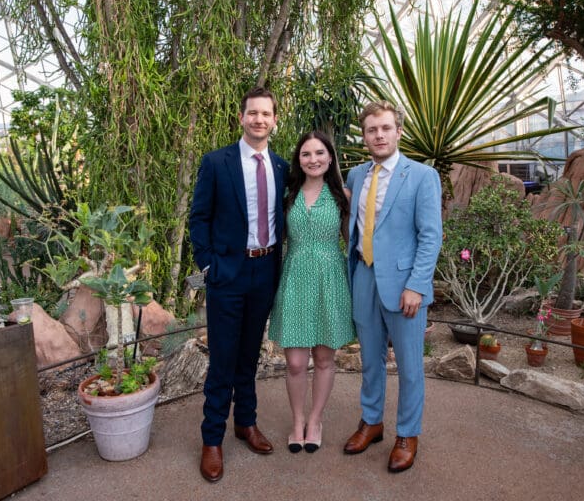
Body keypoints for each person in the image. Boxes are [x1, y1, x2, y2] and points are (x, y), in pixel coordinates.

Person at [188, 86, 289, 483]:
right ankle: (212, 439)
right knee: (223, 359)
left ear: (274, 120)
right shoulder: (217, 162)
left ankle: (246, 423)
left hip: (265, 271)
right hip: (227, 273)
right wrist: (208, 264)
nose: (259, 119)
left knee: (249, 355)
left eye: (266, 114)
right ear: (242, 117)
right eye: (253, 113)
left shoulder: (281, 167)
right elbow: (199, 218)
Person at [343, 100, 442, 472]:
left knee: (410, 366)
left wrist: (417, 285)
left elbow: (430, 236)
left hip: (404, 286)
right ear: (364, 136)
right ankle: (372, 422)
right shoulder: (356, 176)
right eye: (372, 130)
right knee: (370, 360)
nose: (379, 135)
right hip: (364, 277)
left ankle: (407, 433)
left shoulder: (422, 176)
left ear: (398, 132)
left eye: (385, 128)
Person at [268, 131, 355, 454]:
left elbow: (352, 241)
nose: (313, 159)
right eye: (306, 154)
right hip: (295, 280)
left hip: (330, 280)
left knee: (323, 358)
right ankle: (297, 421)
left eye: (320, 153)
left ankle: (315, 421)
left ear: (330, 158)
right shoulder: (287, 194)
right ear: (299, 160)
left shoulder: (342, 195)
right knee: (294, 362)